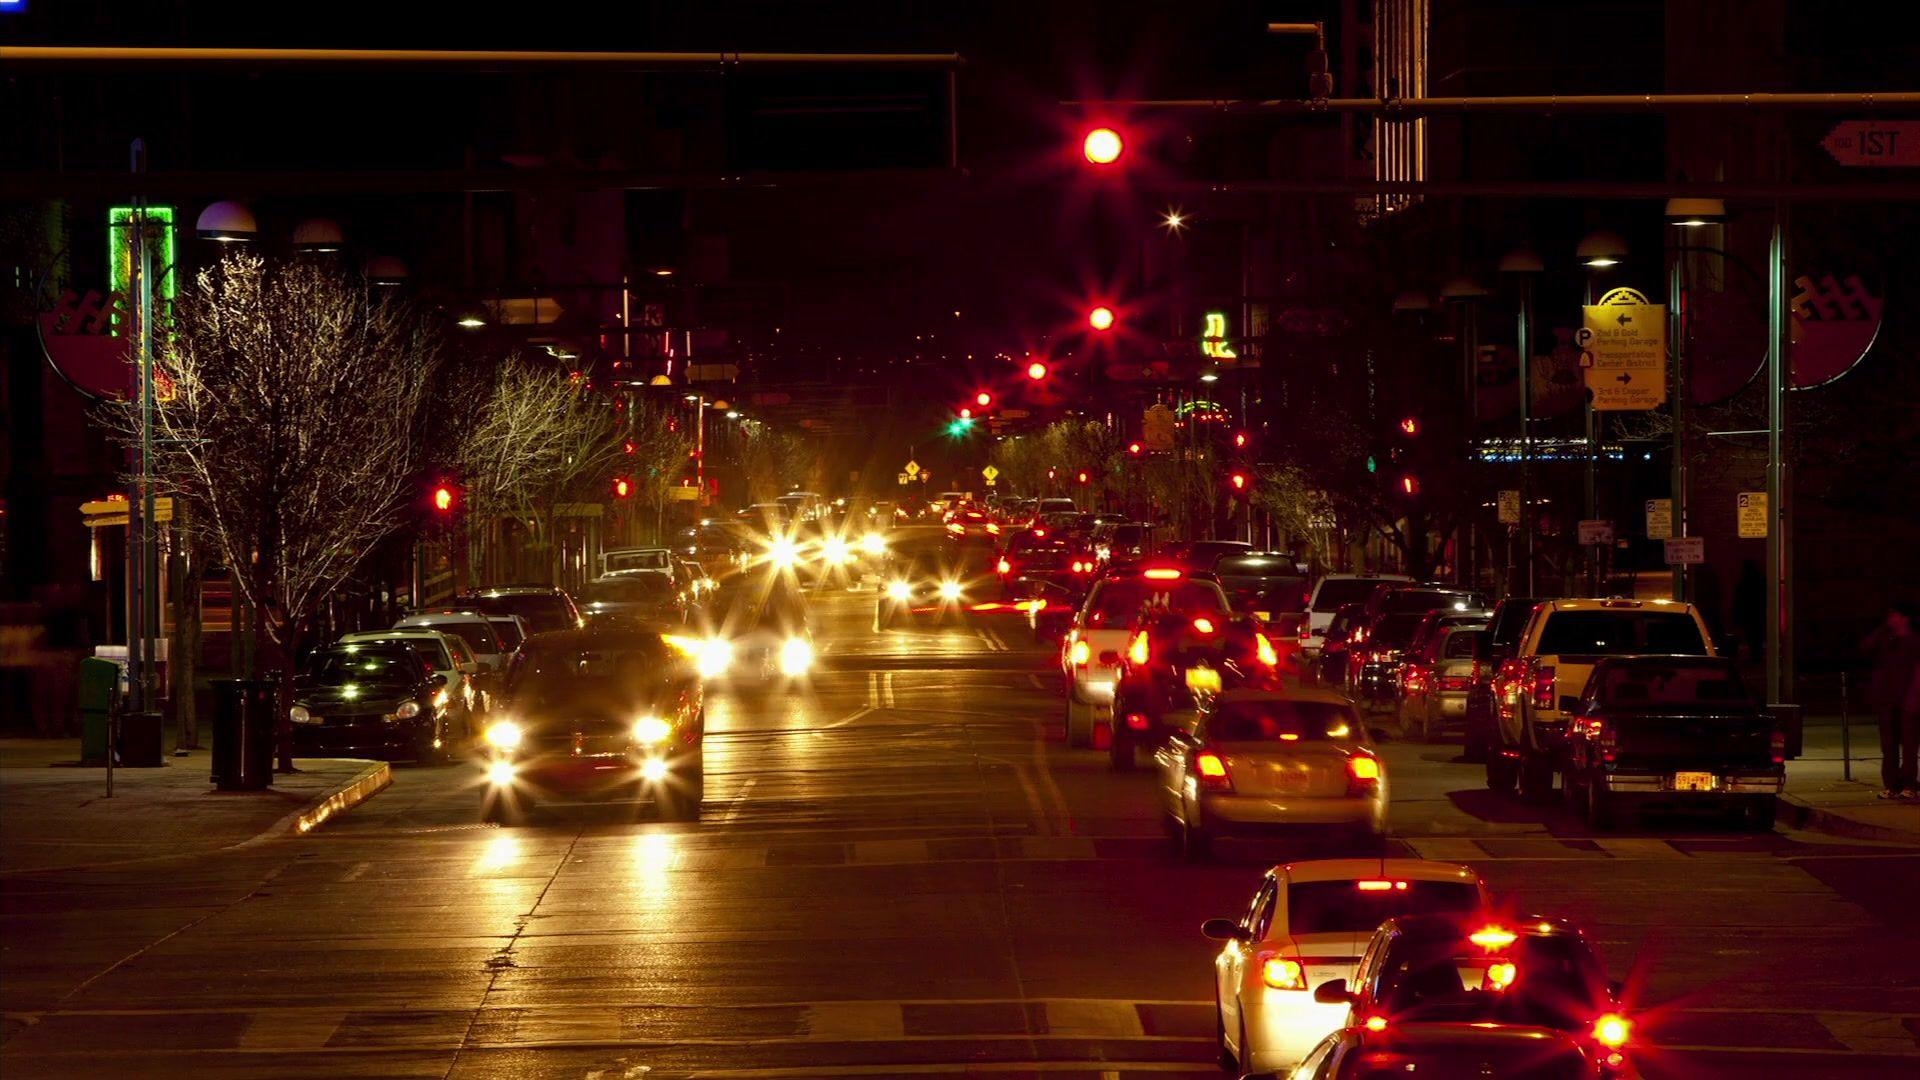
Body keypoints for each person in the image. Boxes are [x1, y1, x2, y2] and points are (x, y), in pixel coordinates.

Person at [1862, 601, 1920, 799]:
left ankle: (1909, 784)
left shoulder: (1914, 641)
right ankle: (1892, 784)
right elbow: (1866, 647)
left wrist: (1913, 698)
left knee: (1910, 746)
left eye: (1894, 615)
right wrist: (1882, 630)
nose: (1891, 619)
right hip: (1887, 701)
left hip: (1907, 701)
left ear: (1905, 618)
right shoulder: (1887, 639)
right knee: (1889, 746)